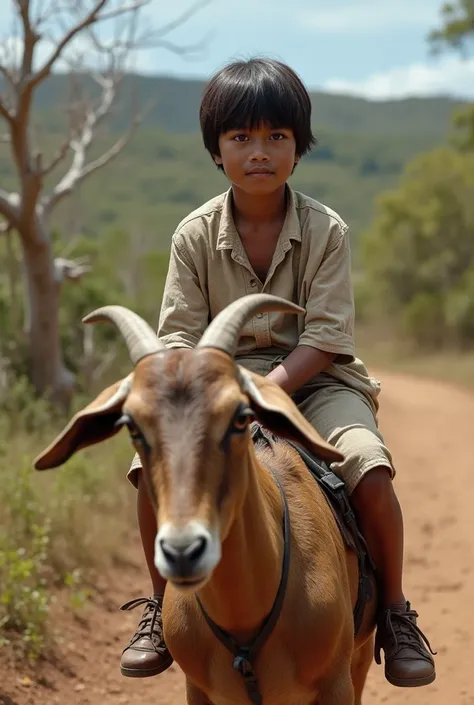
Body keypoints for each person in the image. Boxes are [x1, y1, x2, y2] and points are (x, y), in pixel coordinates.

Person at [119, 57, 436, 688]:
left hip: (319, 385)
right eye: (240, 138)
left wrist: (270, 387)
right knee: (147, 475)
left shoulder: (326, 230)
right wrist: (222, 390)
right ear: (216, 151)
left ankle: (396, 613)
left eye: (276, 137)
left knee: (369, 470)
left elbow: (326, 336)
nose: (258, 152)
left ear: (299, 147)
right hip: (219, 392)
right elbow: (179, 338)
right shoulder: (193, 236)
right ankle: (161, 609)